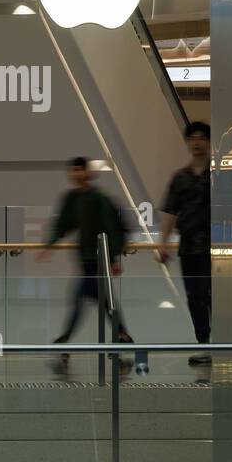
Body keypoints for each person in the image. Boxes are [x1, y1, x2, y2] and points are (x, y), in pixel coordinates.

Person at [36, 157, 133, 372]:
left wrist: (114, 259)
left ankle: (65, 341)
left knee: (81, 299)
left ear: (87, 173)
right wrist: (48, 245)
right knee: (104, 303)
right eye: (74, 171)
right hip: (86, 259)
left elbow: (111, 227)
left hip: (99, 258)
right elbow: (63, 223)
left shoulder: (99, 198)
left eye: (81, 170)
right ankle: (122, 338)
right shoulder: (72, 198)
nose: (77, 175)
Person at [158, 121, 213, 366]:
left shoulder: (220, 174)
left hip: (217, 250)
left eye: (202, 137)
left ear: (209, 142)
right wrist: (163, 243)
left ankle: (223, 344)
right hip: (189, 248)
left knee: (216, 297)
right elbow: (170, 211)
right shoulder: (180, 178)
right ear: (188, 143)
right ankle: (204, 345)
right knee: (195, 297)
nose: (198, 142)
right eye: (193, 138)